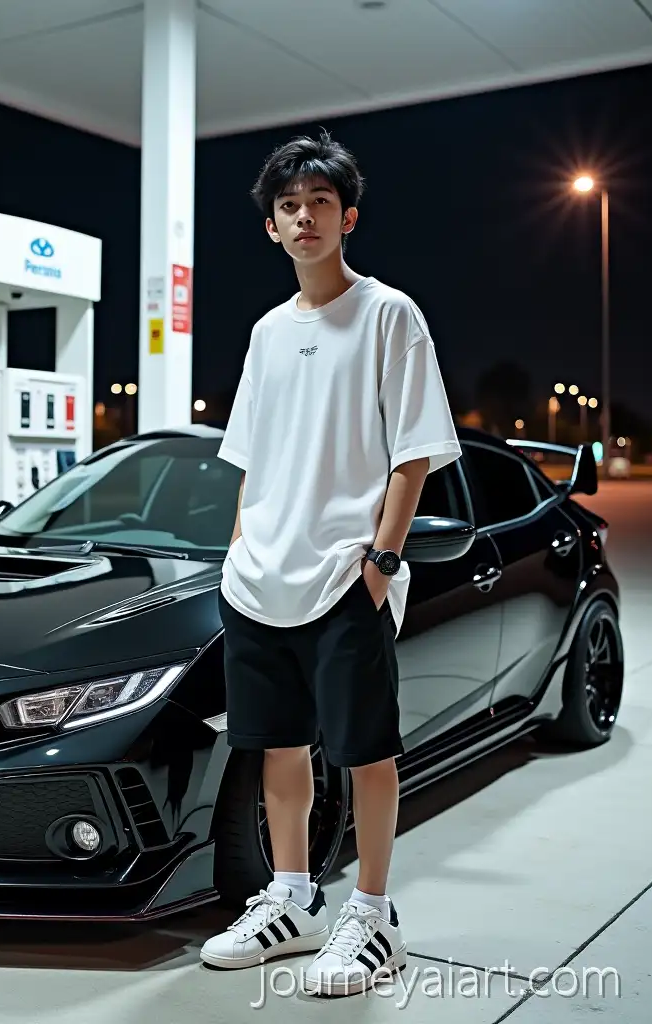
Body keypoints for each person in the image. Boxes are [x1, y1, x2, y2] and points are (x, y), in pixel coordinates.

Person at [199, 132, 461, 997]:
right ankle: (291, 897)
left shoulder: (390, 314)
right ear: (272, 228)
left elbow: (414, 452)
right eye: (287, 206)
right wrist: (242, 546)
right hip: (259, 579)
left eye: (318, 202)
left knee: (364, 750)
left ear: (347, 217)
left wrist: (381, 560)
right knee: (276, 747)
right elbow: (250, 456)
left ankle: (376, 916)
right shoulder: (269, 332)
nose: (303, 216)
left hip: (347, 575)